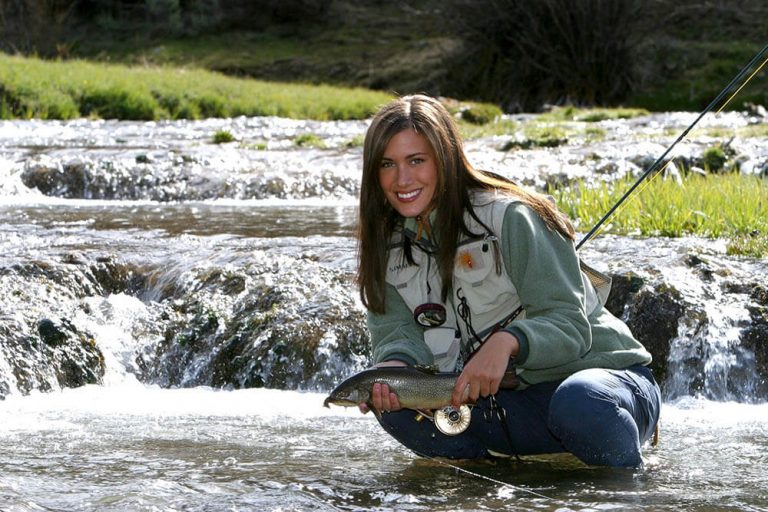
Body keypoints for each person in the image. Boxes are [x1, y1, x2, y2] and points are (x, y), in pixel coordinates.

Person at [355, 94, 661, 468]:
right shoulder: (384, 249)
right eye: (387, 164)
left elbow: (570, 327)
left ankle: (630, 490)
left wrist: (508, 342)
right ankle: (489, 487)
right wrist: (394, 374)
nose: (402, 179)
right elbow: (397, 338)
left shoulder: (511, 217)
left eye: (416, 160)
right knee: (400, 410)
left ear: (445, 160)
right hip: (508, 407)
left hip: (603, 388)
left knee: (579, 402)